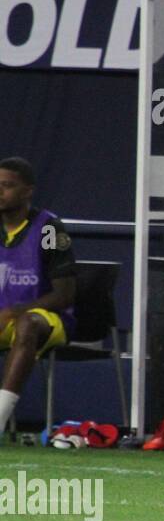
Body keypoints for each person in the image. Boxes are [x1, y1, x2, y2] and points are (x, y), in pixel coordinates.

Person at [0, 158, 76, 438]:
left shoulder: (49, 229)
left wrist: (13, 311)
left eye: (7, 186)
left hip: (48, 319)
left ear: (27, 191)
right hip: (4, 319)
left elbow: (65, 295)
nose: (0, 192)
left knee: (28, 323)